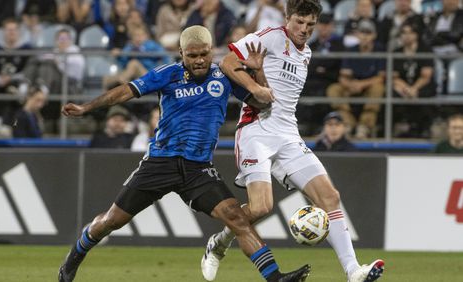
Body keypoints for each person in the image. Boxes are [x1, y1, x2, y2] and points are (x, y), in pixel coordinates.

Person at [58, 25, 310, 282]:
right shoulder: (168, 74)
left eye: (204, 54)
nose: (199, 60)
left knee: (236, 218)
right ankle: (75, 256)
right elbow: (125, 91)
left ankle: (275, 278)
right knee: (112, 221)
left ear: (211, 51)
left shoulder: (224, 76)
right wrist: (86, 107)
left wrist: (258, 73)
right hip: (160, 162)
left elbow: (262, 102)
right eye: (192, 56)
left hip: (198, 169)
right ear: (181, 53)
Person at [200, 1, 384, 282]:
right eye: (299, 22)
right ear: (287, 18)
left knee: (330, 197)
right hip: (256, 131)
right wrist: (255, 89)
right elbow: (227, 62)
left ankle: (353, 271)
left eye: (310, 24)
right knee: (261, 207)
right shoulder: (270, 36)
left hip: (288, 135)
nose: (304, 29)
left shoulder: (306, 53)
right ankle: (220, 242)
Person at [326, 19, 386, 139]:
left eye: (368, 33)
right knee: (333, 89)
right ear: (357, 34)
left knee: (378, 88)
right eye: (362, 32)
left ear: (374, 35)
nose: (365, 36)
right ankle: (347, 123)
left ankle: (364, 126)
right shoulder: (351, 50)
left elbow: (381, 77)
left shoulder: (379, 50)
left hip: (369, 86)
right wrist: (350, 85)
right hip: (352, 86)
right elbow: (343, 76)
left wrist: (361, 84)